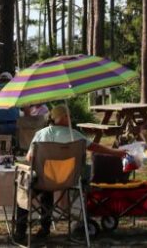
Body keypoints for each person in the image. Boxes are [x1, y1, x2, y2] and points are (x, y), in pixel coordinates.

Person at [13, 104, 125, 242]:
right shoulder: (76, 136)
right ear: (63, 117)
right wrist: (116, 152)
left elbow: (30, 158)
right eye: (68, 116)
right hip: (69, 181)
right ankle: (45, 228)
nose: (70, 118)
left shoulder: (41, 134)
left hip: (45, 180)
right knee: (48, 190)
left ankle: (21, 232)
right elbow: (94, 147)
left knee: (26, 190)